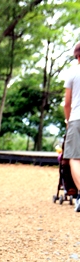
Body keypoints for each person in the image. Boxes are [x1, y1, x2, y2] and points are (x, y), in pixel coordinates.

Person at [64, 41, 80, 211]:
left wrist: (68, 121)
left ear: (77, 55)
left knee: (75, 158)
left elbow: (66, 103)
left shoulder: (73, 72)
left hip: (76, 118)